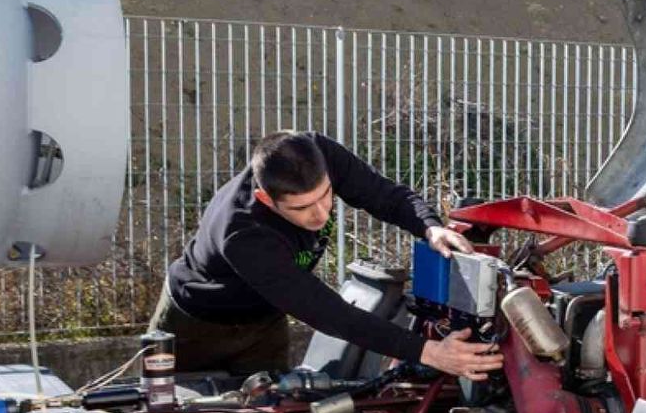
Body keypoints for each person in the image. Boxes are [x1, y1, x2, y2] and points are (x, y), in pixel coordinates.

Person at [150, 131, 503, 381]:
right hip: (195, 324)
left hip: (265, 321)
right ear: (266, 200)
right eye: (302, 208)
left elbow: (385, 196)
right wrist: (430, 352)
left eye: (326, 196)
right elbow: (331, 314)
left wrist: (429, 227)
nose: (320, 214)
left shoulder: (317, 154)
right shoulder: (243, 233)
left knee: (275, 410)